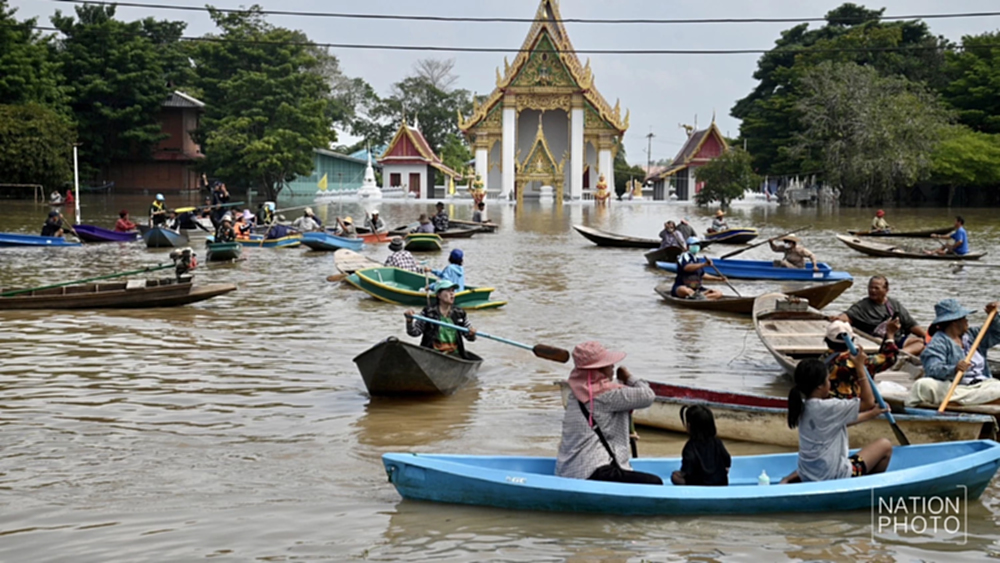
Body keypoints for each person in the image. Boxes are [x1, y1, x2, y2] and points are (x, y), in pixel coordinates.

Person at [555, 341, 661, 484]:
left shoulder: (576, 392)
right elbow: (648, 396)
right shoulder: (607, 395)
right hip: (593, 471)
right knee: (655, 482)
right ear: (598, 370)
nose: (612, 367)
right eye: (608, 364)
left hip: (568, 470)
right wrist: (629, 377)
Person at [779, 358, 892, 484]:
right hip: (835, 476)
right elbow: (868, 402)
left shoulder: (803, 407)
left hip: (809, 474)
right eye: (827, 380)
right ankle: (867, 486)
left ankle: (789, 478)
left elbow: (841, 422)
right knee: (885, 445)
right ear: (820, 385)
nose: (829, 383)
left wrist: (872, 414)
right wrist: (860, 368)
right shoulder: (829, 407)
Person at [907, 299, 1000, 407]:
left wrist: (994, 316)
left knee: (995, 388)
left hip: (982, 385)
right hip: (956, 387)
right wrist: (954, 369)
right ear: (955, 322)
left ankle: (964, 402)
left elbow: (997, 334)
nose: (967, 321)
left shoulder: (972, 335)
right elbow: (932, 369)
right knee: (922, 385)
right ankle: (975, 401)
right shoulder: (938, 343)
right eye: (964, 318)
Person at [835, 275, 927, 356]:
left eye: (876, 288)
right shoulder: (863, 305)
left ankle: (899, 355)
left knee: (921, 343)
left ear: (886, 290)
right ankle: (893, 356)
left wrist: (928, 337)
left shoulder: (894, 304)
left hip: (897, 340)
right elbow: (847, 316)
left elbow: (911, 325)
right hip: (877, 342)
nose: (872, 291)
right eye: (870, 288)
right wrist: (838, 318)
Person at [822, 320, 899, 400]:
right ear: (852, 340)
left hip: (830, 403)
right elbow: (890, 357)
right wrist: (890, 335)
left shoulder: (823, 358)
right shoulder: (858, 362)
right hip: (856, 405)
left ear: (827, 340)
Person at [404, 280, 477, 357]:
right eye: (448, 291)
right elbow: (414, 332)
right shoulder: (428, 312)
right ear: (439, 295)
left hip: (454, 355)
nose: (452, 293)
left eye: (453, 291)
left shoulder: (460, 313)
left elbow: (470, 338)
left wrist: (472, 334)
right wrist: (409, 322)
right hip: (432, 354)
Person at [670, 405, 731, 486]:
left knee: (675, 476)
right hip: (720, 482)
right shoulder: (717, 442)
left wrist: (681, 474)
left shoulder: (690, 447)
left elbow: (687, 470)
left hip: (699, 484)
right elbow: (727, 460)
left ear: (689, 426)